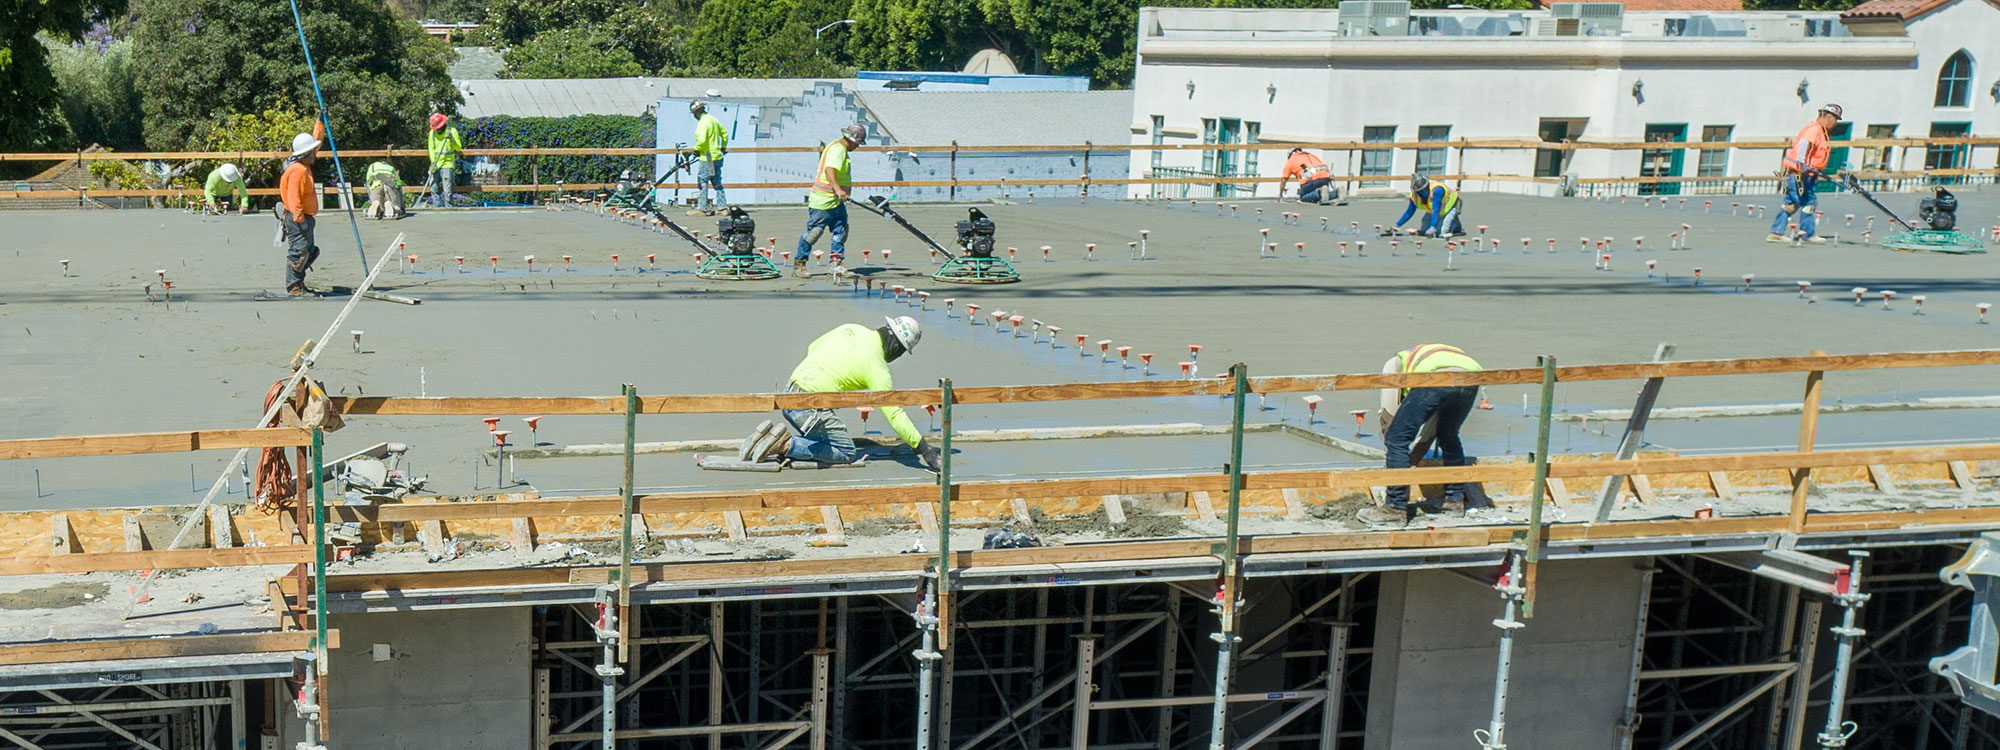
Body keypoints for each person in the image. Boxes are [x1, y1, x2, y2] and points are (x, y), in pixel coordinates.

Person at [739, 317, 942, 472]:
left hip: (789, 391)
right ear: (896, 347)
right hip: (809, 407)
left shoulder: (852, 329)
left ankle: (767, 436)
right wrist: (923, 448)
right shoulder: (876, 367)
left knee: (824, 437)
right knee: (845, 451)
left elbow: (814, 347)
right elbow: (893, 412)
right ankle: (784, 444)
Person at [1358, 344, 1482, 525]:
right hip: (1472, 377)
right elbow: (1432, 426)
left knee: (1397, 438)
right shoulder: (1425, 356)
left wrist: (1401, 451)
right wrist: (1418, 449)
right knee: (1449, 434)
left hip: (1435, 377)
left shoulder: (1393, 365)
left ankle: (1394, 508)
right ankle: (1454, 500)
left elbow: (1389, 409)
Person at [794, 124, 865, 278]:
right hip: (823, 201)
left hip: (836, 202)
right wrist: (839, 190)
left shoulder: (835, 146)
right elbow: (829, 169)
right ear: (851, 140)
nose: (858, 147)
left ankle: (836, 264)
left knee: (840, 231)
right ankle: (799, 264)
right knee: (814, 233)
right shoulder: (838, 150)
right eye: (858, 144)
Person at [1769, 104, 1842, 244]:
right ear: (1828, 117)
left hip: (1805, 174)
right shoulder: (1814, 130)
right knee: (1804, 202)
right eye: (1835, 120)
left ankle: (1778, 232)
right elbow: (1803, 146)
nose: (1836, 123)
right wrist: (1803, 165)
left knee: (1795, 202)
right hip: (1801, 174)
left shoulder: (1819, 131)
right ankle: (1805, 233)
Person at [277, 120, 327, 297]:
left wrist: (320, 123)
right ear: (304, 154)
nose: (315, 154)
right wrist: (300, 219)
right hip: (297, 217)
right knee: (299, 253)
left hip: (304, 216)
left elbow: (316, 142)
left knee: (310, 252)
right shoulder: (298, 171)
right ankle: (294, 287)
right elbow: (293, 197)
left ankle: (299, 282)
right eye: (312, 152)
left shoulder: (302, 164)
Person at [1393, 174, 1463, 238]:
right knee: (1424, 230)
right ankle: (1450, 221)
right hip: (1437, 210)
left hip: (1452, 205)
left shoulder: (1437, 190)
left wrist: (1433, 227)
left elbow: (1436, 209)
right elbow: (1409, 212)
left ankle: (1455, 224)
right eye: (1421, 190)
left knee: (1441, 232)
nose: (1424, 191)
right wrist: (1396, 226)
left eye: (1425, 188)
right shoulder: (1415, 197)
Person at [690, 100, 728, 216]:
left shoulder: (702, 123)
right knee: (717, 181)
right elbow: (724, 134)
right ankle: (722, 208)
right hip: (717, 155)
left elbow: (702, 140)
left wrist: (696, 150)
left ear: (696, 113)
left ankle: (702, 208)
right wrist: (722, 147)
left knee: (703, 181)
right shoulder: (713, 119)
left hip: (707, 156)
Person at [426, 113, 463, 208]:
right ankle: (437, 208)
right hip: (435, 164)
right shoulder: (432, 133)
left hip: (447, 164)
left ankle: (449, 208)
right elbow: (431, 148)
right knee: (433, 187)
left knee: (447, 190)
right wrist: (433, 162)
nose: (438, 130)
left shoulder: (452, 131)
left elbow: (458, 148)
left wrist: (451, 139)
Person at [364, 156, 405, 220]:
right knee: (395, 205)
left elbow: (367, 184)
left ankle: (377, 207)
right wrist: (402, 206)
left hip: (376, 184)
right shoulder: (391, 168)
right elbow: (399, 186)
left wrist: (371, 199)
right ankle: (392, 207)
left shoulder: (372, 167)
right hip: (390, 184)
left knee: (377, 201)